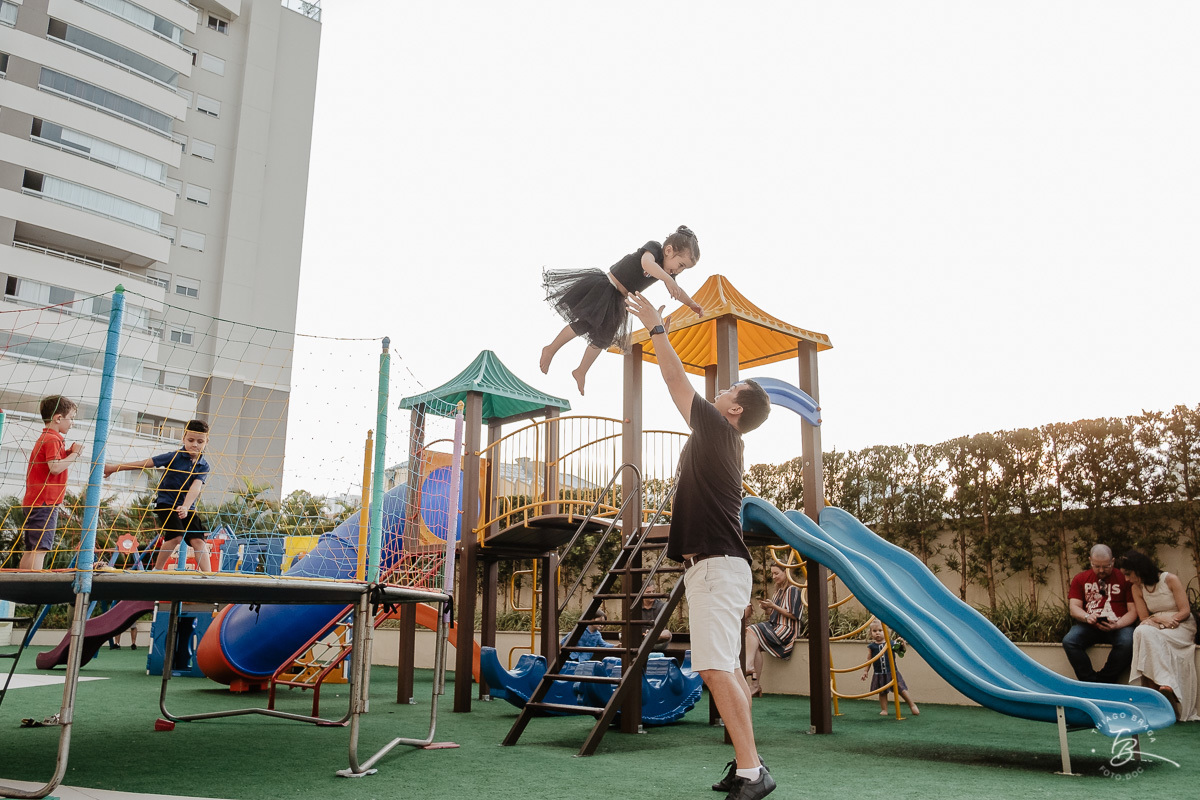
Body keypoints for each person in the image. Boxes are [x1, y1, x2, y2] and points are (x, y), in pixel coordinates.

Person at [625, 291, 775, 800]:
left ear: (734, 409)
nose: (722, 390)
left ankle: (754, 773)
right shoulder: (721, 438)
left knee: (713, 667)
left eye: (730, 387)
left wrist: (656, 327)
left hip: (716, 567)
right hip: (717, 567)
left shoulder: (717, 428)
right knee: (727, 668)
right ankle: (745, 763)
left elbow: (672, 380)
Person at [540, 225, 704, 395]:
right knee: (583, 325)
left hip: (618, 301)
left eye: (683, 269)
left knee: (602, 339)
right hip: (606, 288)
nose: (678, 271)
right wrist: (668, 280)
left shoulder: (667, 272)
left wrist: (691, 303)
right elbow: (646, 264)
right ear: (669, 250)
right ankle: (550, 349)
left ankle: (581, 370)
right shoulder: (654, 249)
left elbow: (677, 290)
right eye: (681, 265)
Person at [104, 420, 214, 572]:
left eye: (200, 441)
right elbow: (145, 463)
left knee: (198, 541)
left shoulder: (203, 465)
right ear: (184, 439)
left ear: (206, 442)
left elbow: (195, 487)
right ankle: (157, 570)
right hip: (167, 504)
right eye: (191, 440)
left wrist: (186, 507)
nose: (195, 444)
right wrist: (114, 468)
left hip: (187, 507)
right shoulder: (174, 457)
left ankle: (208, 576)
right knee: (176, 536)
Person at [1117, 550, 1200, 722]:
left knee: (1147, 634)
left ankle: (1159, 689)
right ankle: (1166, 683)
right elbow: (1143, 618)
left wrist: (1169, 620)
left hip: (1181, 625)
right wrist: (1159, 619)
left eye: (1128, 574)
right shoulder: (1136, 588)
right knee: (1141, 631)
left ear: (1139, 570)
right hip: (1156, 623)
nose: (1126, 579)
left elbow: (1184, 611)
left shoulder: (1170, 579)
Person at [19, 396, 82, 571]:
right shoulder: (53, 439)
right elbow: (54, 467)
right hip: (45, 502)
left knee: (32, 548)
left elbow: (52, 464)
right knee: (40, 548)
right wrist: (75, 455)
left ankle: (24, 584)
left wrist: (68, 451)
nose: (72, 423)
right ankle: (32, 584)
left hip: (36, 501)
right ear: (58, 418)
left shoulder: (46, 437)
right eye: (71, 418)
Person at [1061, 544, 1137, 683]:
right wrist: (1087, 617)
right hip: (1090, 625)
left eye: (1106, 566)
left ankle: (1104, 681)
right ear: (1090, 560)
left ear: (1113, 561)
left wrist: (1118, 624)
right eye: (1096, 566)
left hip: (1118, 625)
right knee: (1070, 641)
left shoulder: (1124, 578)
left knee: (1128, 642)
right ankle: (1090, 681)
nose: (1101, 570)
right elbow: (1074, 608)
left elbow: (1133, 611)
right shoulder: (1080, 578)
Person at [744, 564, 804, 697]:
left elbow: (793, 614)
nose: (773, 576)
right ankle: (755, 686)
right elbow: (775, 614)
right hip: (775, 626)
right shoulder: (778, 591)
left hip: (786, 630)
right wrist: (768, 608)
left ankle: (748, 665)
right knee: (756, 647)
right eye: (772, 574)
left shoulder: (793, 590)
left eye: (776, 573)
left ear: (786, 572)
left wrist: (773, 606)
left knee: (750, 630)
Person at [860, 618, 919, 716]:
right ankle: (884, 709)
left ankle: (912, 705)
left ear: (886, 632)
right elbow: (869, 660)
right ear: (870, 633)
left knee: (901, 689)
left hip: (892, 672)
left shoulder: (890, 643)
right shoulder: (872, 647)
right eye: (874, 631)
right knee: (882, 692)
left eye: (880, 630)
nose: (877, 633)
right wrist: (865, 671)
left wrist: (903, 644)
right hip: (879, 674)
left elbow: (901, 651)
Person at [635, 580, 673, 652]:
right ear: (641, 593)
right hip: (640, 640)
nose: (652, 594)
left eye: (653, 591)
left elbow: (663, 628)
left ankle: (648, 638)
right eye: (648, 592)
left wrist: (650, 635)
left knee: (667, 633)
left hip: (656, 641)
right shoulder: (636, 607)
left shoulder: (662, 606)